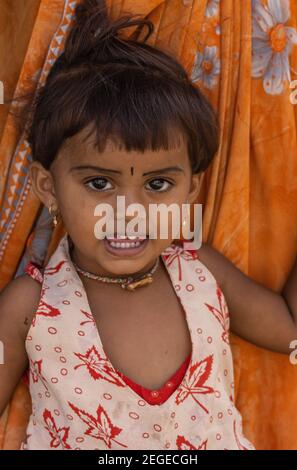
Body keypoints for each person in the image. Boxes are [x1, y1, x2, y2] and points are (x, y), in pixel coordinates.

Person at [0, 0, 296, 450]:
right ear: (49, 187)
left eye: (158, 183)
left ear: (191, 189)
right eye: (99, 182)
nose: (129, 209)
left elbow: (288, 327)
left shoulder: (200, 271)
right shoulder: (33, 304)